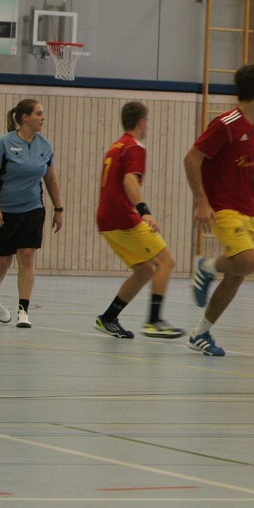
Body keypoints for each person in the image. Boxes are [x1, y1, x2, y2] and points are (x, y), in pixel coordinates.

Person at [183, 63, 254, 356]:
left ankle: (200, 333)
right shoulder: (225, 124)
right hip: (223, 207)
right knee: (249, 261)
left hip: (248, 209)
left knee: (237, 276)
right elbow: (192, 158)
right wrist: (202, 201)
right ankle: (206, 266)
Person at [94, 101, 185, 340]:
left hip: (106, 218)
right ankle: (154, 321)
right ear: (142, 122)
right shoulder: (135, 147)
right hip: (123, 217)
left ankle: (108, 318)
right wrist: (144, 211)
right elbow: (129, 181)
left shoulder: (116, 146)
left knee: (144, 270)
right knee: (166, 261)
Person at [0, 99, 64, 328]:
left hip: (32, 208)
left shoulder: (45, 146)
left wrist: (58, 209)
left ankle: (23, 310)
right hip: (3, 210)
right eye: (39, 113)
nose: (43, 118)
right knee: (3, 261)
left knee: (27, 255)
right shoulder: (4, 143)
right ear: (25, 117)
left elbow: (50, 178)